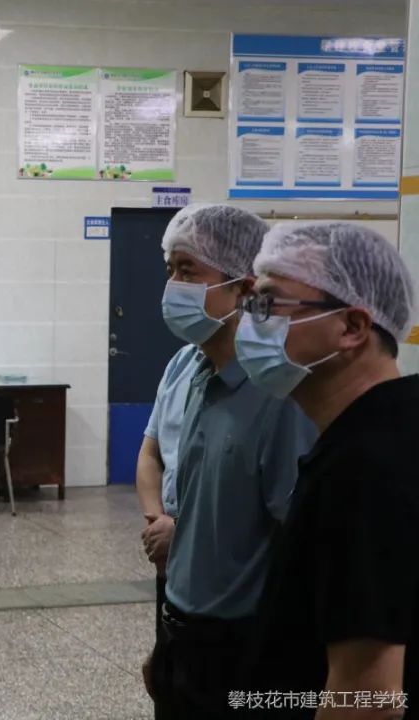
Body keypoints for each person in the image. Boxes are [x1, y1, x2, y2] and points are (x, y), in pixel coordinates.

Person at [239, 223, 418, 719]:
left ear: (352, 327)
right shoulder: (387, 429)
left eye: (269, 303)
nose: (248, 323)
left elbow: (369, 698)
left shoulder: (366, 467)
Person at [145, 204, 317, 719]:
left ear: (244, 289)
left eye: (188, 271)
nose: (173, 286)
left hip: (243, 648)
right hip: (181, 628)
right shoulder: (197, 372)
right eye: (170, 270)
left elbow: (297, 544)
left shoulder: (277, 395)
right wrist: (167, 646)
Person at [136, 341, 198, 718]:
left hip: (213, 561)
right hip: (169, 554)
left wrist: (182, 532)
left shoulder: (258, 381)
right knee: (168, 681)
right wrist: (156, 522)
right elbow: (150, 453)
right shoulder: (182, 362)